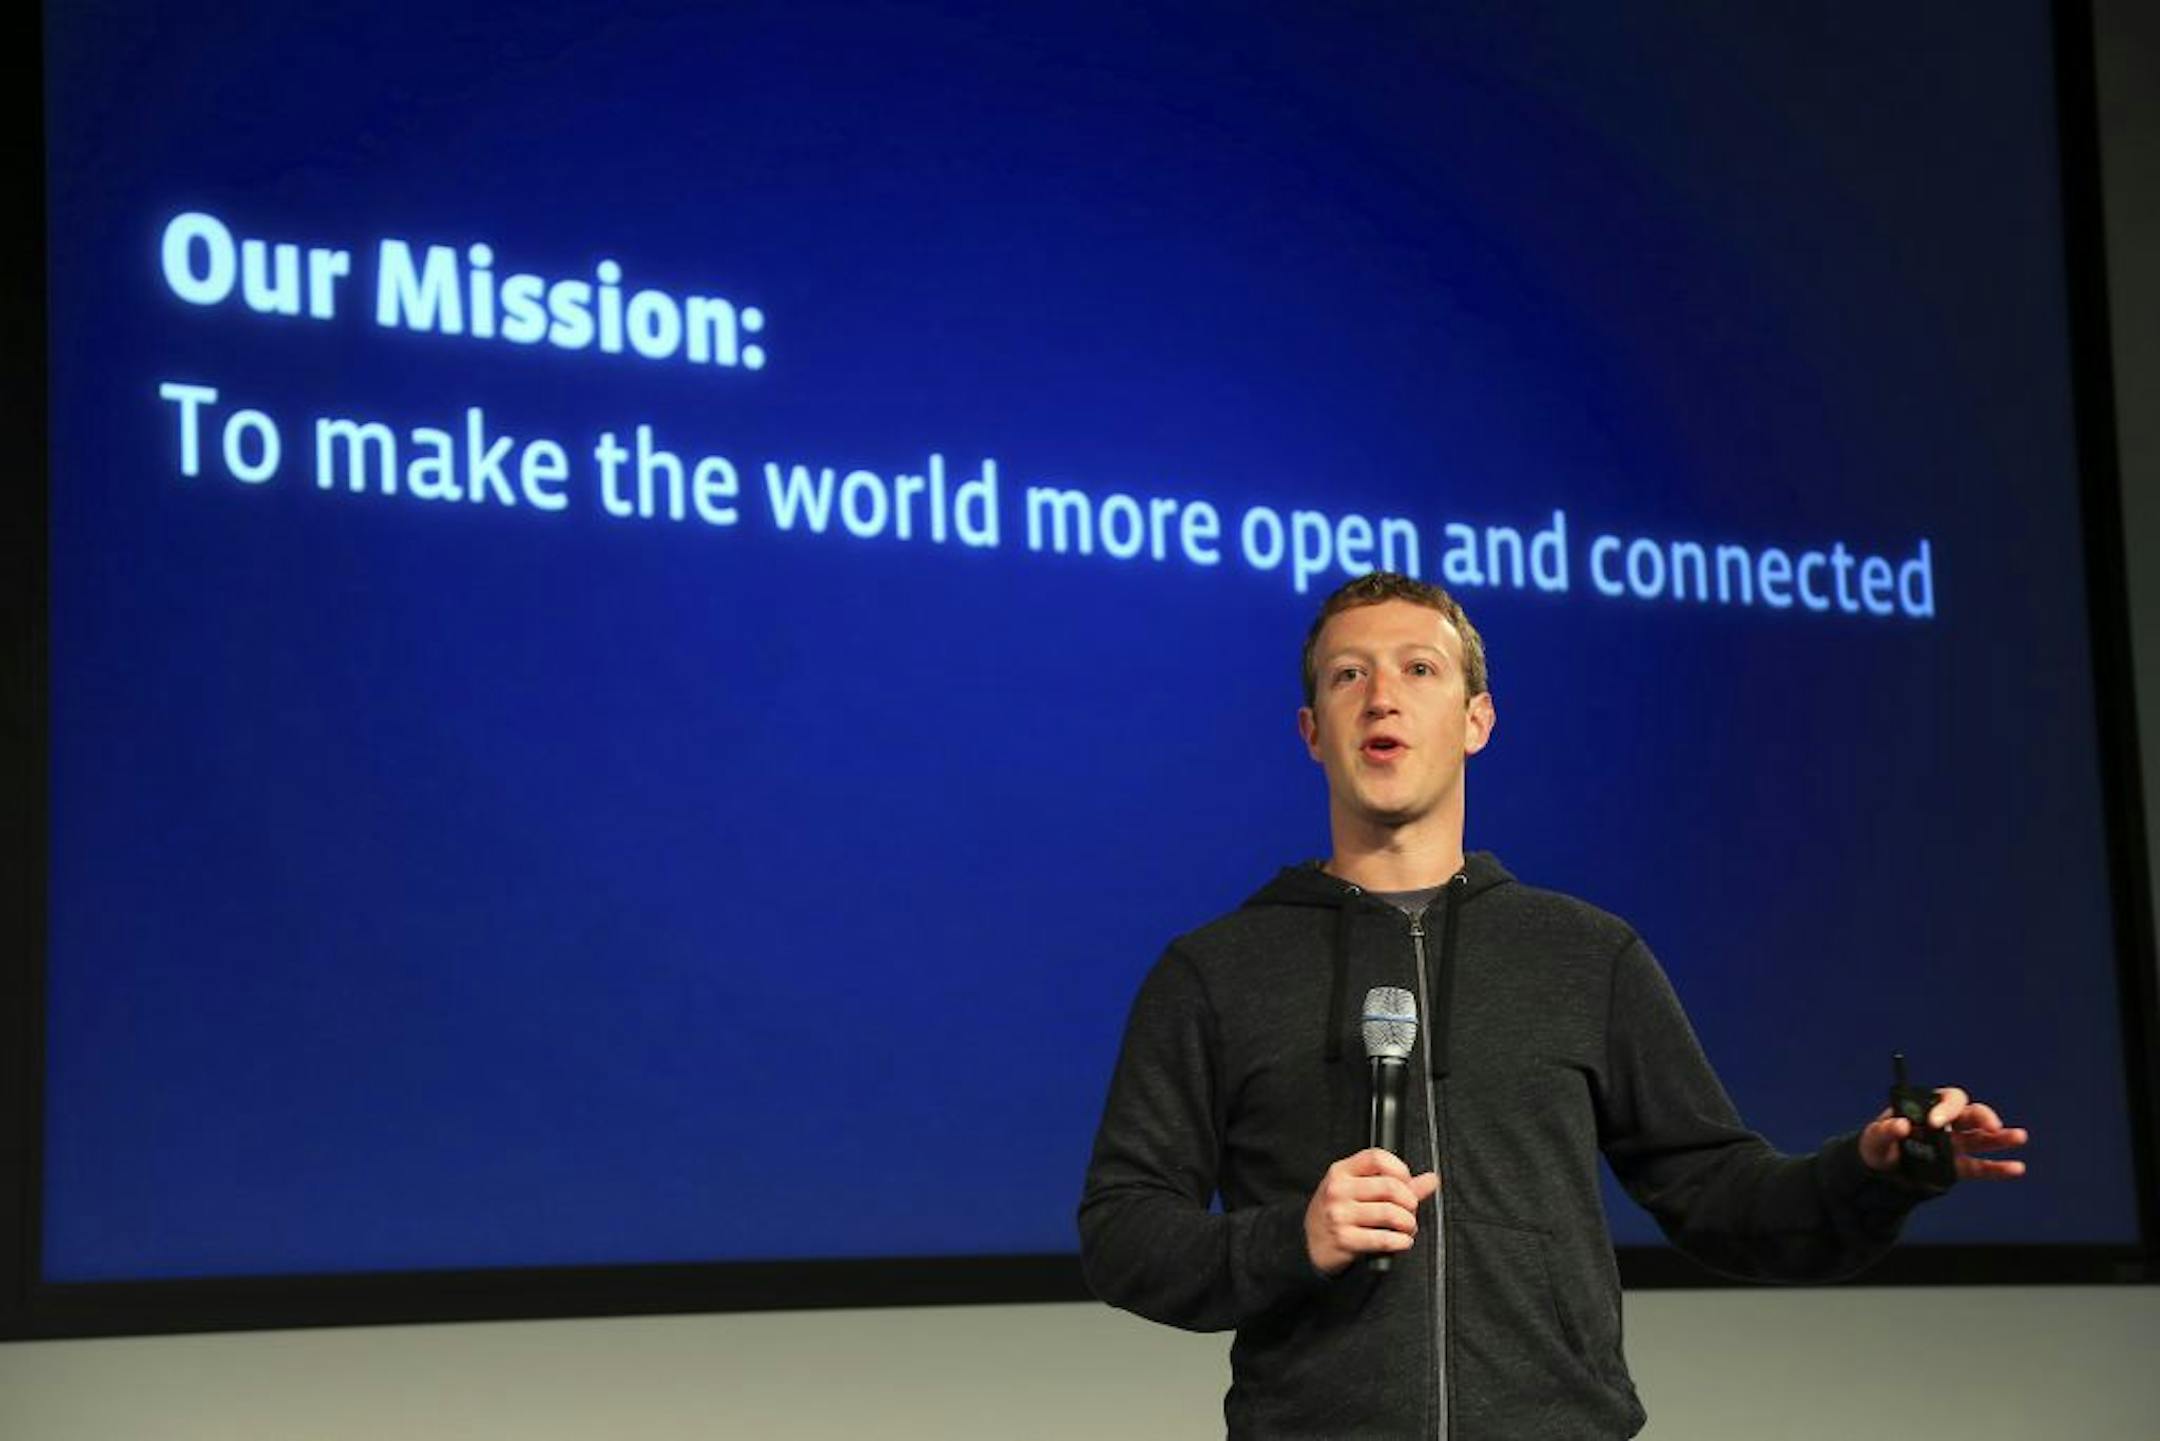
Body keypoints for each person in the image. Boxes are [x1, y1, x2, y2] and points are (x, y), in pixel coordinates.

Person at [1077, 571, 2027, 1440]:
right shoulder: (1216, 971)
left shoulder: (1585, 954)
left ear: (1477, 719)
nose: (1382, 696)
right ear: (1312, 729)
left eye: (1419, 668)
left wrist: (1873, 1173)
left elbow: (1722, 1196)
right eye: (1346, 675)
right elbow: (1125, 1231)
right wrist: (1294, 1236)